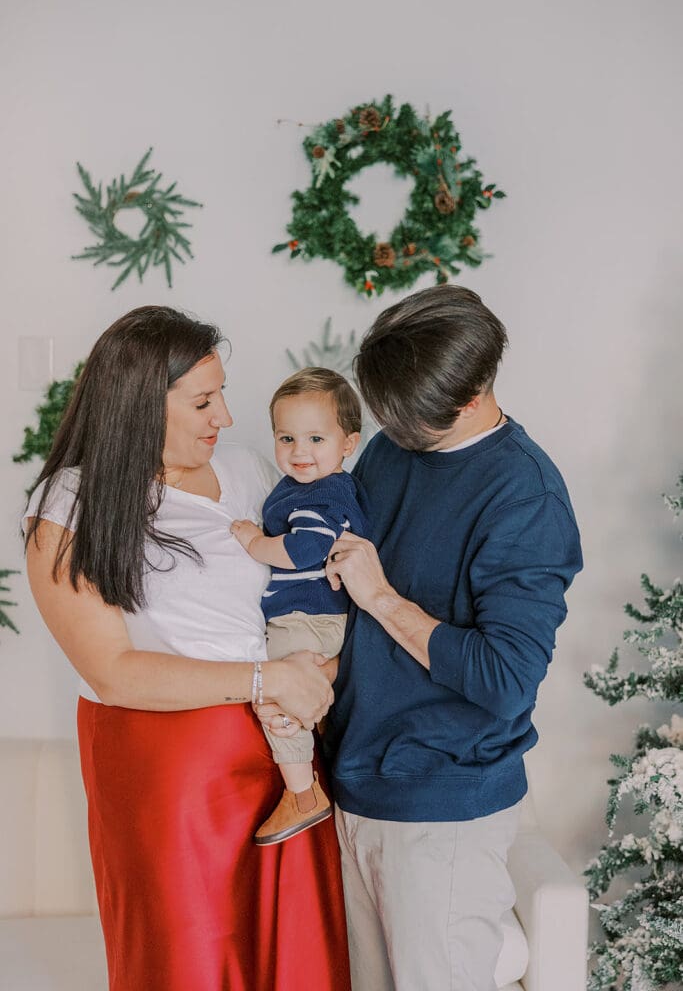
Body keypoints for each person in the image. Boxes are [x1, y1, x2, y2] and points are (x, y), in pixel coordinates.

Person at [22, 306, 351, 991]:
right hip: (169, 774)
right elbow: (111, 672)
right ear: (141, 404)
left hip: (285, 751)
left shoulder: (253, 471)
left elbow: (316, 590)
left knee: (296, 954)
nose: (224, 417)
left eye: (222, 394)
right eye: (204, 400)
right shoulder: (71, 503)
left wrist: (323, 669)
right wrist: (268, 680)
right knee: (189, 957)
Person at [322, 285, 583, 991]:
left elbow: (504, 680)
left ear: (469, 398)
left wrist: (381, 598)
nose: (387, 429)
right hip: (354, 781)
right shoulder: (391, 450)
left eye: (405, 419)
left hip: (442, 805)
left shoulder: (524, 497)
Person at [231, 368, 368, 846]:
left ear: (348, 443)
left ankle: (301, 792)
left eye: (315, 438)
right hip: (310, 617)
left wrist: (255, 543)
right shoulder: (300, 486)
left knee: (277, 695)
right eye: (286, 437)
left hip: (309, 617)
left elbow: (303, 550)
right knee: (291, 691)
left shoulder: (324, 492)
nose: (299, 451)